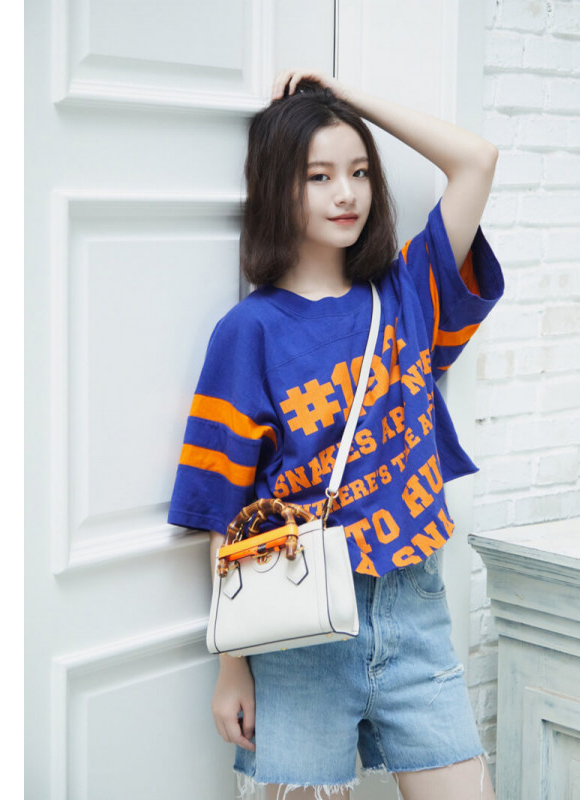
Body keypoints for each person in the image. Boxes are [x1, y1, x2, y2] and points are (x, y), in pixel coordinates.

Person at [168, 68, 504, 800]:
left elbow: (476, 160)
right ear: (277, 188)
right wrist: (231, 665)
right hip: (298, 628)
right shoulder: (249, 331)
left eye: (358, 172)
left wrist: (347, 99)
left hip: (414, 610)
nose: (345, 193)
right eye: (318, 176)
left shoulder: (407, 294)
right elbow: (224, 511)